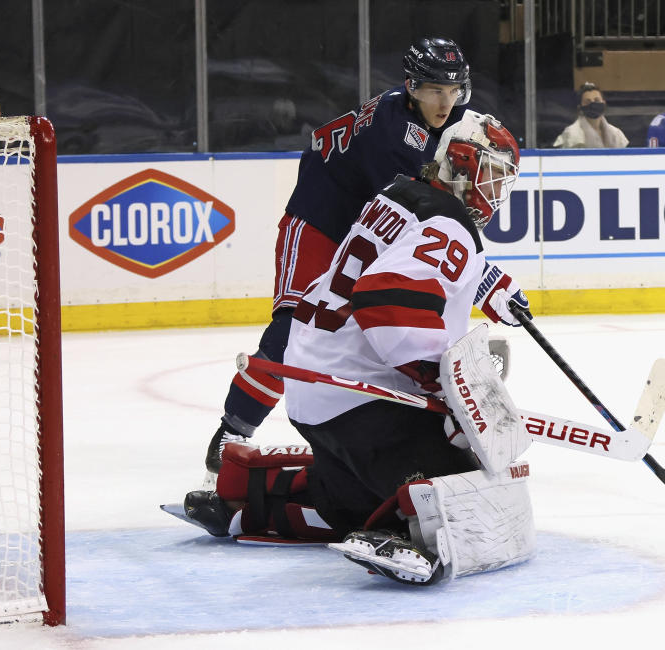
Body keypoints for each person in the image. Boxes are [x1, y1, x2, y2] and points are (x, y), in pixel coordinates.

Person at [185, 111, 535, 585]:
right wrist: (445, 384)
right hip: (365, 394)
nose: (495, 192)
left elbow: (396, 273)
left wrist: (486, 282)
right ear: (458, 163)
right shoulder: (453, 227)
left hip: (317, 392)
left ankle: (248, 493)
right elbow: (389, 302)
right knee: (467, 489)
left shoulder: (396, 195)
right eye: (491, 175)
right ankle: (404, 531)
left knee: (349, 500)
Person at [199, 37, 529, 487]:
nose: (444, 103)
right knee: (291, 329)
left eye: (454, 92)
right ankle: (231, 432)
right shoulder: (394, 134)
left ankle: (356, 437)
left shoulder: (436, 120)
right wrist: (484, 278)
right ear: (411, 86)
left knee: (355, 333)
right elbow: (422, 217)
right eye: (434, 90)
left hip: (366, 224)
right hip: (320, 223)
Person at [553, 82, 628, 148]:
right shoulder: (570, 134)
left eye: (597, 100)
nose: (593, 104)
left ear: (604, 103)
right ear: (580, 107)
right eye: (587, 102)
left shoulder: (616, 134)